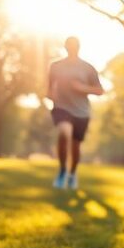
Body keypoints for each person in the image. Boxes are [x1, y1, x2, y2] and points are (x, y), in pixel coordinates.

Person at [46, 36, 103, 190]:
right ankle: (62, 171)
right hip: (61, 107)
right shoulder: (55, 66)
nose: (71, 47)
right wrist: (50, 95)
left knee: (76, 146)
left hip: (81, 111)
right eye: (69, 45)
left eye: (74, 45)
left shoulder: (88, 68)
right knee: (64, 132)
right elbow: (50, 87)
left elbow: (100, 90)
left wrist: (82, 88)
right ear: (65, 47)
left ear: (78, 47)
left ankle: (72, 174)